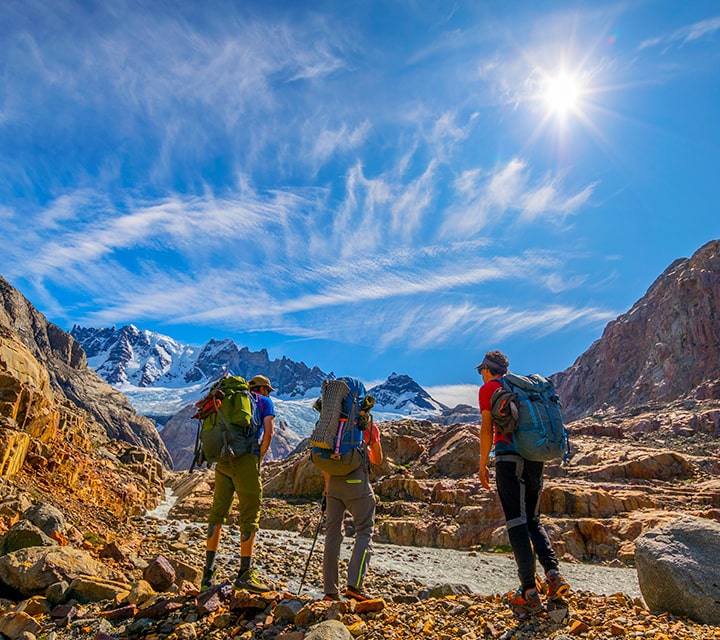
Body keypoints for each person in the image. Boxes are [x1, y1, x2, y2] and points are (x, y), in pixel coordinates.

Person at [477, 350, 569, 617]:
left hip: (508, 459)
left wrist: (483, 463)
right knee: (533, 520)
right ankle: (553, 576)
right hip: (534, 457)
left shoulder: (490, 389)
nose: (480, 375)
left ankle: (528, 591)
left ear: (486, 369)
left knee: (516, 522)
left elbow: (486, 429)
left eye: (480, 370)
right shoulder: (522, 388)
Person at [201, 374, 276, 593]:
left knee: (217, 513)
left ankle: (208, 573)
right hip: (245, 458)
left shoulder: (227, 399)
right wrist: (259, 456)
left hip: (223, 460)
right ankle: (244, 574)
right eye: (268, 390)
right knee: (250, 514)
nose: (268, 394)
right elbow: (269, 432)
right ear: (262, 389)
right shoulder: (263, 402)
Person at [322, 418, 383, 602]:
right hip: (358, 482)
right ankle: (355, 586)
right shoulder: (368, 425)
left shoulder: (331, 423)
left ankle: (330, 591)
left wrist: (327, 486)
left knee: (332, 534)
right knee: (364, 530)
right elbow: (377, 460)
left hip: (333, 482)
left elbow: (326, 461)